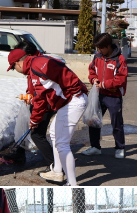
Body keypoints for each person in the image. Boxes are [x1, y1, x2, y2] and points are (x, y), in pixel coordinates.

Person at [7, 48, 88, 186]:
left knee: (62, 144)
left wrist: (34, 120)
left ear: (18, 63)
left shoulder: (36, 68)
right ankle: (56, 170)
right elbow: (46, 93)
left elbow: (41, 99)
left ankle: (72, 185)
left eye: (13, 67)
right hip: (71, 99)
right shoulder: (37, 62)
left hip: (73, 100)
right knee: (54, 133)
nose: (16, 70)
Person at [2, 40, 54, 173]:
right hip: (40, 102)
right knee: (30, 128)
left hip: (45, 104)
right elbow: (34, 87)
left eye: (15, 66)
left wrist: (35, 117)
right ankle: (20, 153)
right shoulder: (34, 64)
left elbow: (42, 94)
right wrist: (29, 93)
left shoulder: (38, 65)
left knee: (37, 134)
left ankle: (54, 166)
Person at [82, 33, 128, 159]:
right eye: (98, 48)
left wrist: (105, 84)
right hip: (98, 94)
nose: (99, 50)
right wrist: (93, 80)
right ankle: (95, 147)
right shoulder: (97, 57)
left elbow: (121, 79)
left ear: (108, 46)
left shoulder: (120, 59)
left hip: (113, 96)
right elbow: (91, 71)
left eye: (101, 48)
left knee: (116, 123)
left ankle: (120, 147)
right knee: (93, 120)